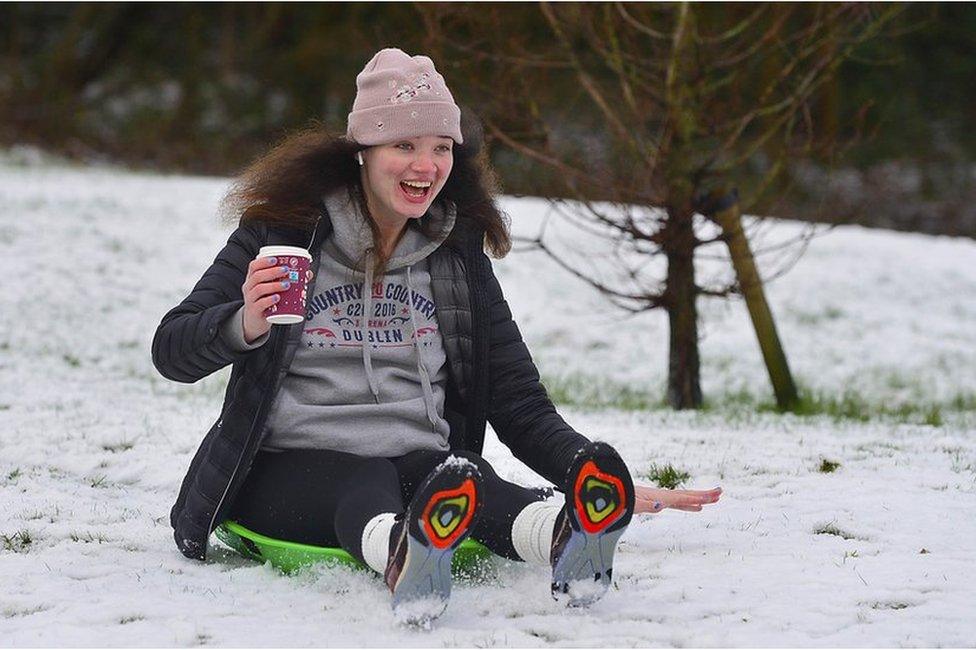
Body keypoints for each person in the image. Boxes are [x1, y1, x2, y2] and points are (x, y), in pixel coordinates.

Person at [152, 47, 721, 626]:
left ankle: (564, 535)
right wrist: (244, 322)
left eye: (440, 149)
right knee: (369, 476)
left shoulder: (455, 255)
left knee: (463, 481)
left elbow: (517, 398)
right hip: (282, 471)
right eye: (404, 146)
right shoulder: (284, 234)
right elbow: (171, 350)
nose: (425, 166)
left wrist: (580, 470)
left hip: (418, 466)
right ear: (362, 153)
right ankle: (402, 553)